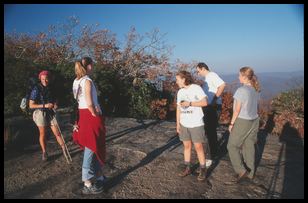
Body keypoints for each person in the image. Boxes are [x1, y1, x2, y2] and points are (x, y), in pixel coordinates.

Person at [72, 57, 106, 195]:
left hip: (82, 115)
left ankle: (98, 175)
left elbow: (78, 100)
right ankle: (87, 181)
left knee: (93, 145)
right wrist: (95, 113)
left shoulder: (76, 80)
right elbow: (89, 101)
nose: (93, 67)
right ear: (89, 66)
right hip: (90, 116)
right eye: (92, 65)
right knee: (91, 147)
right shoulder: (87, 81)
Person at [227, 67, 261, 182]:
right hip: (255, 120)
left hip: (243, 121)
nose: (238, 77)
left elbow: (236, 110)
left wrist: (231, 123)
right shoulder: (255, 89)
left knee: (232, 146)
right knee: (249, 146)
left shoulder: (241, 91)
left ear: (245, 77)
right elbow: (256, 107)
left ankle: (241, 170)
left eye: (239, 75)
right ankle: (250, 173)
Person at [176, 70, 208, 181]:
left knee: (198, 147)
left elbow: (205, 102)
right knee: (186, 146)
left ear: (184, 79)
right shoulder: (180, 92)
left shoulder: (196, 88)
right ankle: (187, 167)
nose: (176, 82)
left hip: (196, 123)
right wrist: (178, 124)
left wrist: (189, 103)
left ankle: (203, 169)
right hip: (184, 124)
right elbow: (178, 108)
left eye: (177, 79)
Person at [29, 70, 66, 161]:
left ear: (49, 79)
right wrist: (45, 105)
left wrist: (56, 104)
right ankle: (44, 152)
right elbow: (31, 105)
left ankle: (65, 150)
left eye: (46, 79)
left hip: (51, 112)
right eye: (43, 79)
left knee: (57, 132)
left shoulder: (52, 87)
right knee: (43, 134)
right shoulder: (36, 89)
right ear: (40, 79)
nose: (45, 81)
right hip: (41, 112)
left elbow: (55, 98)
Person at [196, 62, 226, 164]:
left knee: (210, 131)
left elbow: (222, 85)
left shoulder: (212, 75)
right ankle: (213, 152)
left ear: (203, 68)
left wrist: (214, 100)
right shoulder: (207, 78)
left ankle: (211, 156)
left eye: (198, 71)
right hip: (209, 107)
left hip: (213, 107)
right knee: (209, 130)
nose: (198, 73)